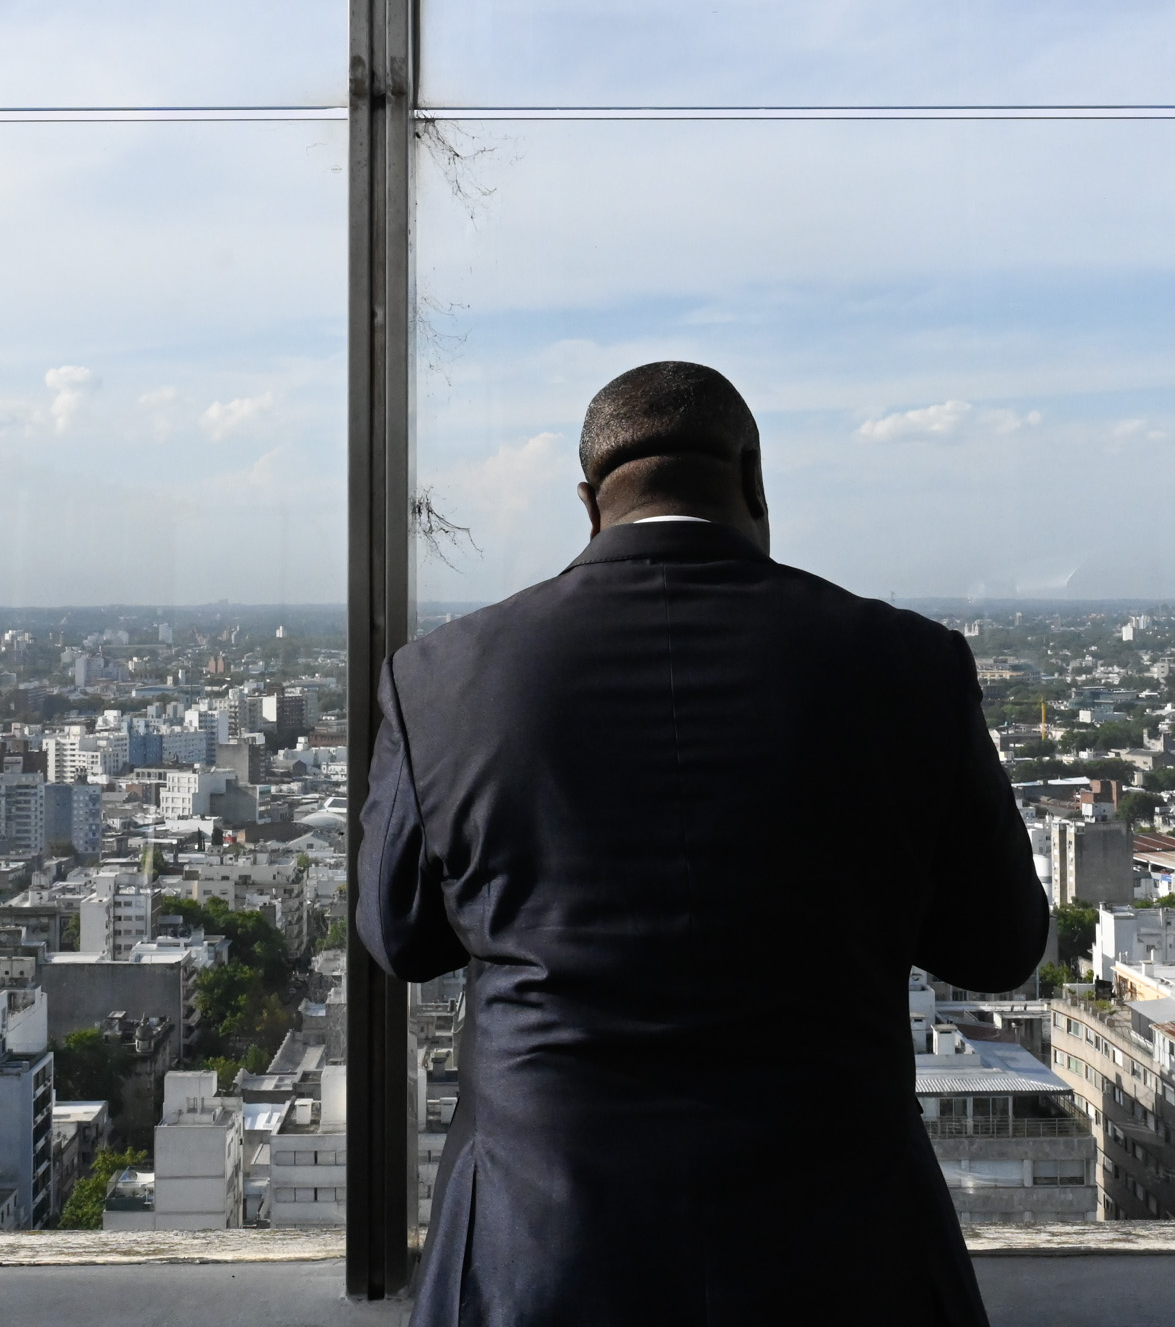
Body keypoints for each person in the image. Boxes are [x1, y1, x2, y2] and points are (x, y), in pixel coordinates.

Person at [359, 360, 1046, 1326]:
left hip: (536, 1253)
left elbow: (401, 939)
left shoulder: (439, 680)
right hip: (848, 1252)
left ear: (589, 502)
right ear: (755, 482)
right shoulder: (906, 666)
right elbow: (1000, 944)